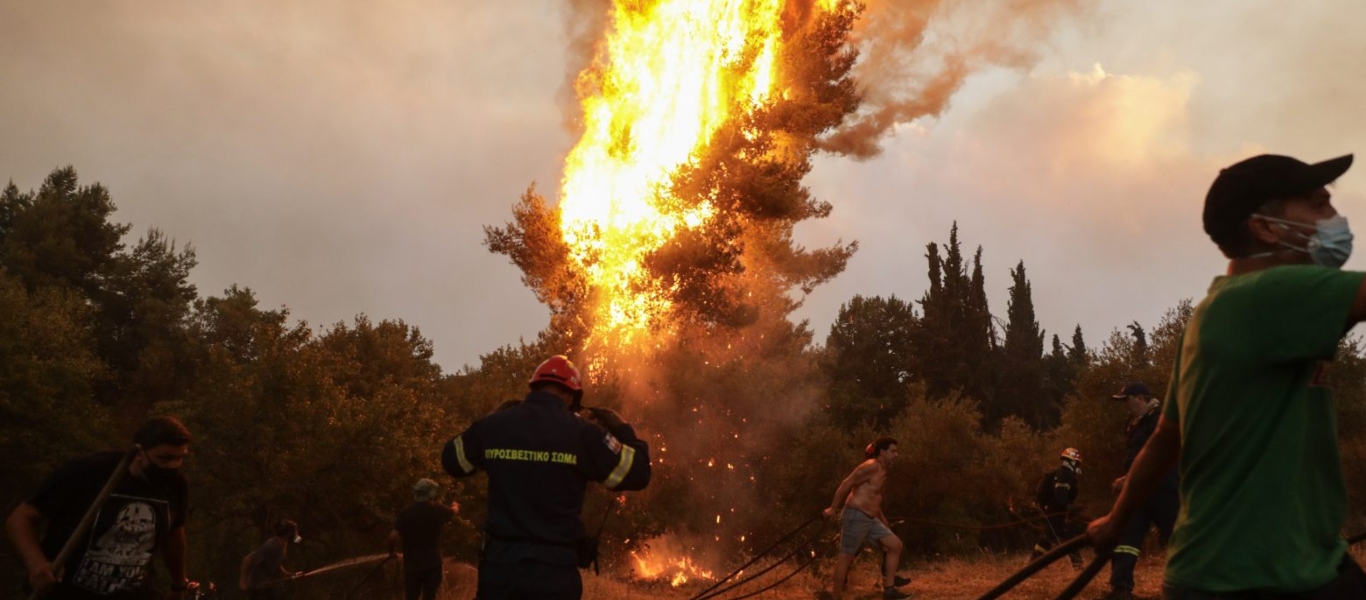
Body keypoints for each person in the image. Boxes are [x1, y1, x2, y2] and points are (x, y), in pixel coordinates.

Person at [1088, 153, 1366, 599]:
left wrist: (1116, 520)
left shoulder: (1211, 313)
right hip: (1261, 580)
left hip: (1235, 571)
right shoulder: (1271, 293)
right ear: (1266, 228)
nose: (1335, 219)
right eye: (1318, 206)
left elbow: (1165, 437)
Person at [442, 355, 651, 600]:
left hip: (500, 570)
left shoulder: (495, 426)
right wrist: (623, 430)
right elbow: (638, 473)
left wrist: (490, 418)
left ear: (533, 387)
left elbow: (452, 461)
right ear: (572, 397)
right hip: (554, 572)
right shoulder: (584, 434)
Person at [5, 416, 193, 600]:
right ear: (139, 453)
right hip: (67, 592)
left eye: (180, 458)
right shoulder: (89, 471)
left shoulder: (175, 485)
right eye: (165, 458)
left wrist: (178, 585)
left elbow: (174, 534)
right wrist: (36, 564)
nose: (172, 466)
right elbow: (20, 518)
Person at [1101, 383, 1178, 600]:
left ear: (1140, 398)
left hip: (1164, 491)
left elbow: (1160, 454)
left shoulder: (1160, 419)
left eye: (1127, 400)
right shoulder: (1136, 423)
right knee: (1127, 539)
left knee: (1178, 538)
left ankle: (1194, 588)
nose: (1125, 405)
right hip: (1140, 492)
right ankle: (1121, 588)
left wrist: (1128, 478)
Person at [823, 438, 910, 600]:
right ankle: (835, 597)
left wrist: (882, 519)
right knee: (845, 558)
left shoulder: (883, 470)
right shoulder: (870, 467)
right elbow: (846, 483)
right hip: (856, 516)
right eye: (893, 451)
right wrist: (833, 508)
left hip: (870, 519)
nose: (896, 455)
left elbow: (874, 497)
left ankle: (889, 591)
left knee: (895, 545)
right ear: (883, 452)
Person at [387, 478, 459, 600]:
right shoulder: (438, 509)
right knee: (429, 596)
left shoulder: (406, 513)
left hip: (412, 566)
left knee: (411, 596)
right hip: (433, 564)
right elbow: (454, 511)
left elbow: (392, 536)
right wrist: (455, 505)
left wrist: (391, 552)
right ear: (431, 494)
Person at [1031, 447, 1084, 569]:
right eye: (1077, 462)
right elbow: (1060, 496)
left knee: (1048, 539)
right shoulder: (1065, 475)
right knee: (1065, 538)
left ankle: (1034, 564)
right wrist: (1069, 507)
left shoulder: (1062, 474)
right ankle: (1078, 565)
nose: (1078, 466)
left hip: (1054, 512)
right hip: (1055, 513)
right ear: (1072, 461)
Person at [239, 520, 302, 600]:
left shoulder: (283, 544)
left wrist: (288, 574)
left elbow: (275, 563)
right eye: (295, 532)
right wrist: (242, 582)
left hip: (270, 586)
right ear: (289, 534)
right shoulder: (271, 546)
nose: (296, 534)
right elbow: (247, 560)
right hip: (258, 588)